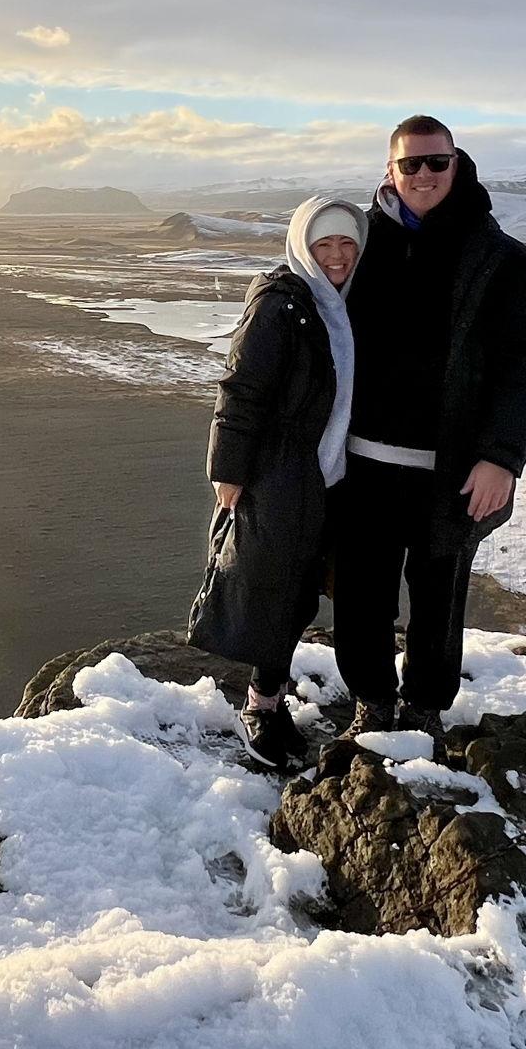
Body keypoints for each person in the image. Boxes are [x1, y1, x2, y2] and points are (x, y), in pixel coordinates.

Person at [333, 116, 526, 745]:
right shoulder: (357, 247)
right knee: (361, 594)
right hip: (361, 463)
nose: (425, 174)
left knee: (439, 598)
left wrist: (501, 457)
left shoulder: (502, 258)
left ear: (457, 164)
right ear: (390, 170)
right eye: (411, 164)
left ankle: (425, 708)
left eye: (438, 162)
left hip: (453, 469)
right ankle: (371, 702)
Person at [189, 196, 367, 769]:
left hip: (330, 477)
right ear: (302, 247)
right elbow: (240, 389)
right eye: (324, 244)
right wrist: (228, 472)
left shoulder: (345, 303)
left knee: (305, 591)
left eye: (347, 242)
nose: (337, 255)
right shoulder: (281, 304)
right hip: (281, 474)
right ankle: (260, 705)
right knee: (277, 593)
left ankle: (271, 696)